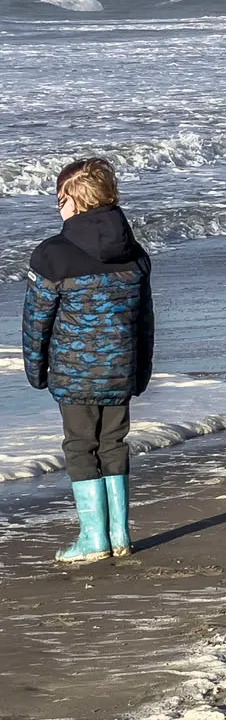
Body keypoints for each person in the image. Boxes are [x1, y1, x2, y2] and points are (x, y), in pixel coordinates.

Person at [22, 158, 153, 564]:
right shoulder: (135, 254)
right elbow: (144, 319)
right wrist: (141, 369)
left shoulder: (52, 256)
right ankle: (119, 535)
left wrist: (35, 369)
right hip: (120, 369)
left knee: (81, 446)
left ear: (75, 202)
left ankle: (94, 537)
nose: (57, 206)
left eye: (60, 199)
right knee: (114, 443)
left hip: (73, 373)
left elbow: (36, 321)